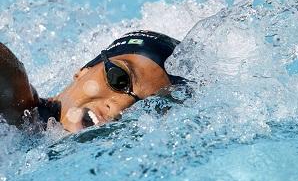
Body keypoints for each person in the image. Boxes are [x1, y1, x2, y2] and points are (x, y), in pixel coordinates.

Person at [0, 30, 185, 133]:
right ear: (83, 71)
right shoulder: (17, 109)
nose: (121, 107)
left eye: (148, 106)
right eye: (119, 79)